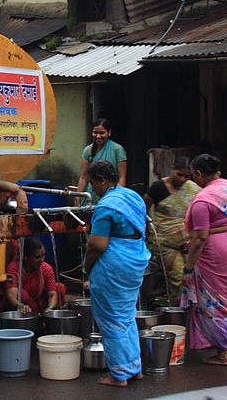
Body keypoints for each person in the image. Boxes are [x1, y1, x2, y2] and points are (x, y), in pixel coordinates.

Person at [83, 160, 150, 387]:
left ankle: (118, 375)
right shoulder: (132, 196)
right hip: (135, 261)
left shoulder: (106, 207)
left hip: (113, 266)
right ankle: (134, 368)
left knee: (111, 320)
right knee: (127, 316)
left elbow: (97, 246)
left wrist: (87, 269)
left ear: (102, 181)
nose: (92, 188)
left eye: (93, 183)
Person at [181, 154, 227, 366]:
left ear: (200, 173)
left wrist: (188, 269)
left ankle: (223, 353)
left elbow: (201, 237)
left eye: (193, 175)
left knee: (215, 301)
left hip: (217, 252)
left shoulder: (204, 200)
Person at [144, 157, 200, 305]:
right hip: (165, 242)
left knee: (195, 277)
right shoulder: (158, 187)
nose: (182, 179)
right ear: (172, 170)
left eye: (187, 176)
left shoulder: (193, 189)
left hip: (190, 241)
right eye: (179, 174)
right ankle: (179, 312)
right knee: (179, 278)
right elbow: (143, 207)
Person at [4, 237, 65, 314]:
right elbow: (11, 295)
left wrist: (50, 308)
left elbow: (52, 294)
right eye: (37, 257)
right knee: (22, 294)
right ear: (26, 257)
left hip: (39, 303)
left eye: (43, 255)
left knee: (59, 287)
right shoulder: (14, 268)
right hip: (23, 307)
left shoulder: (46, 268)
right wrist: (21, 306)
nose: (42, 260)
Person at [76, 118, 127, 204]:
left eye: (102, 133)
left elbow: (122, 177)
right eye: (95, 133)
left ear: (109, 133)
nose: (98, 136)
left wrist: (118, 196)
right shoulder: (88, 150)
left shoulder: (117, 150)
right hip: (91, 196)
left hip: (111, 195)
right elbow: (84, 176)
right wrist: (78, 195)